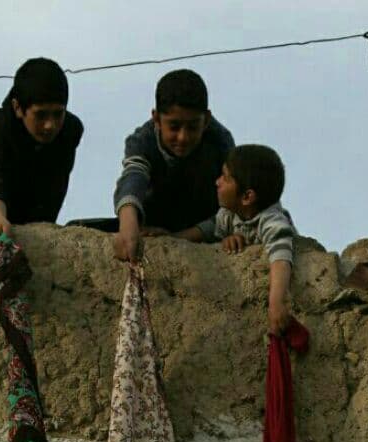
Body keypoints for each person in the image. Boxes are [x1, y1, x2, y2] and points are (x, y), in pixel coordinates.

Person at [112, 69, 234, 263]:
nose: (183, 137)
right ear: (156, 119)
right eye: (174, 127)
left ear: (206, 120)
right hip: (152, 226)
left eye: (192, 127)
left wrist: (177, 238)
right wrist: (128, 223)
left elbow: (233, 207)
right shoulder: (143, 140)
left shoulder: (220, 142)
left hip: (204, 229)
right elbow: (134, 175)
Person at [0, 58, 83, 238]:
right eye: (40, 115)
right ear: (17, 108)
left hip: (30, 223)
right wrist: (0, 219)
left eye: (58, 114)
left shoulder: (70, 131)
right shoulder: (3, 124)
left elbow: (55, 188)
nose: (50, 125)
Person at [177, 143, 295, 336]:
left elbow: (281, 257)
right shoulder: (229, 214)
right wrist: (170, 239)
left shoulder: (273, 220)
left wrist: (276, 303)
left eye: (225, 178)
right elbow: (207, 230)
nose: (217, 182)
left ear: (247, 197)